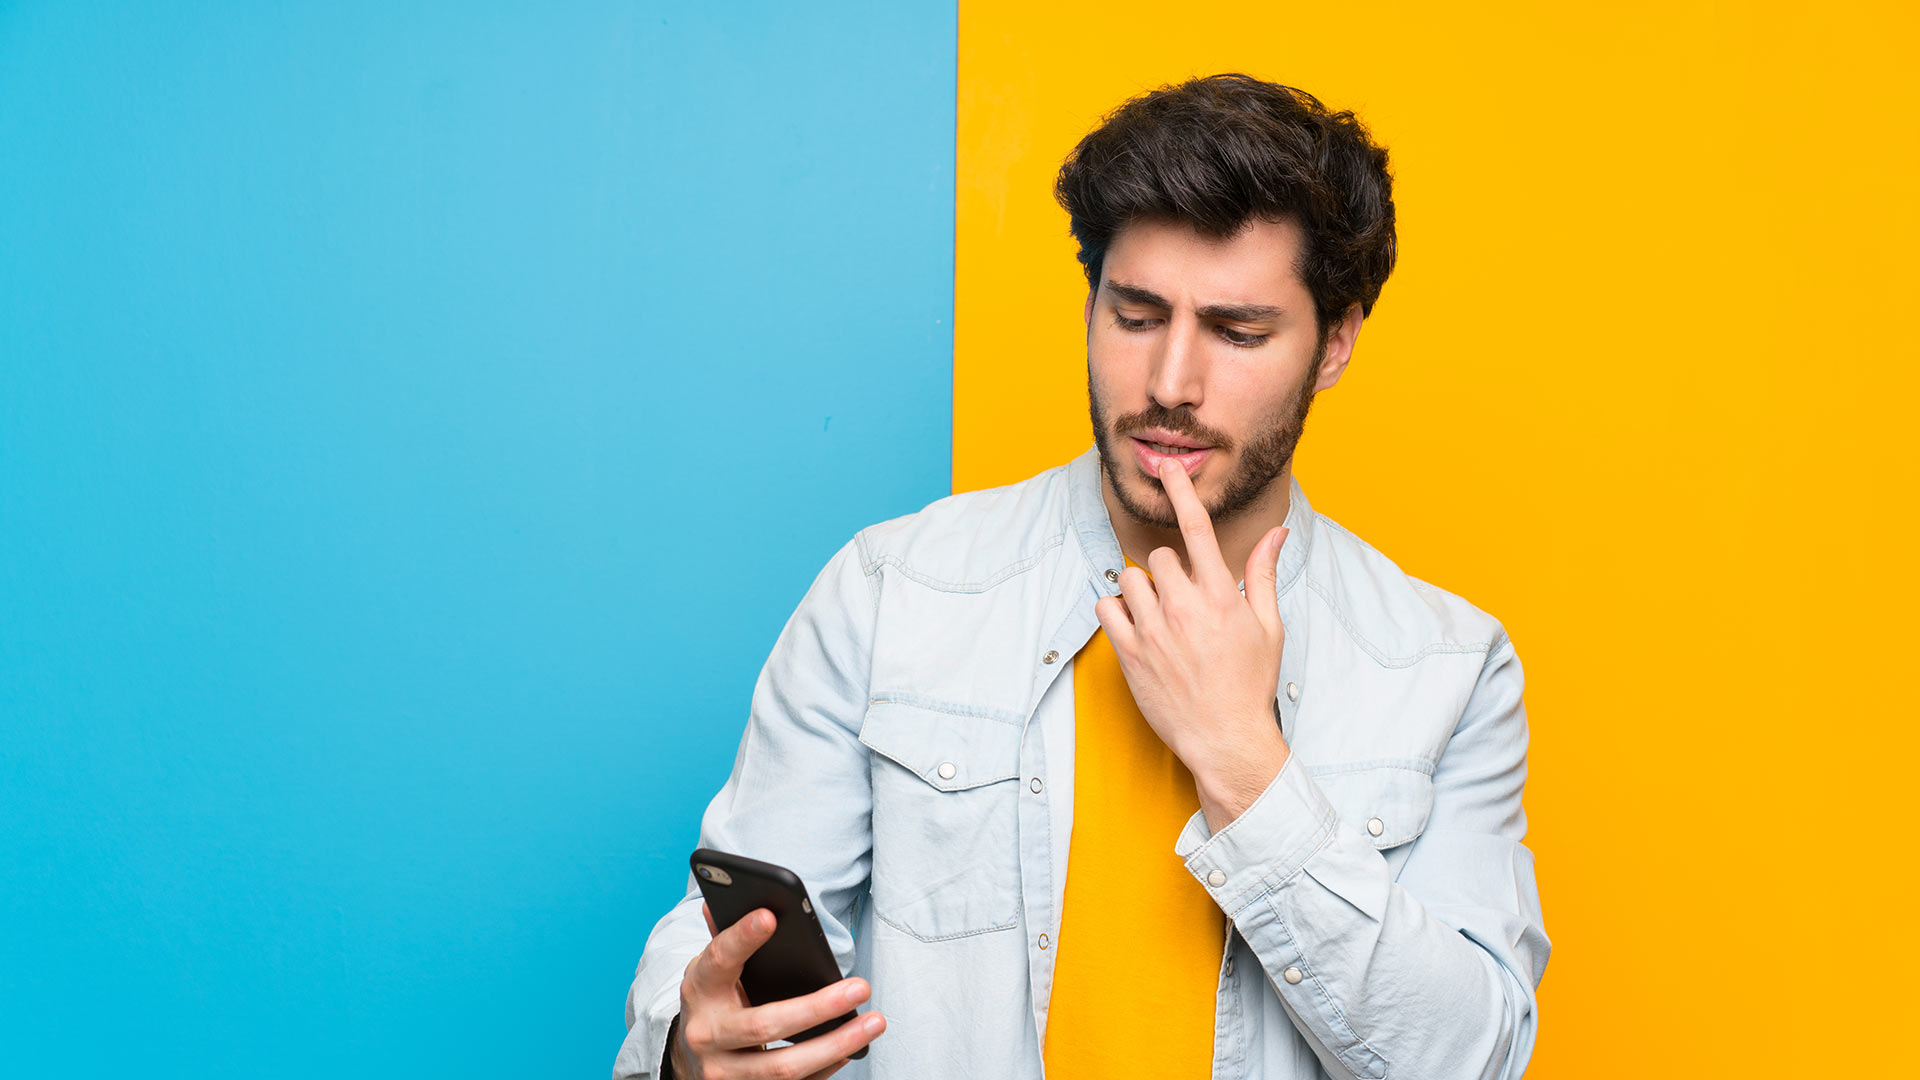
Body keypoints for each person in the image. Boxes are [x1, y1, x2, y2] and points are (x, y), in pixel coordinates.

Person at [613, 73, 1549, 1080]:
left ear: (1335, 343)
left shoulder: (1446, 670)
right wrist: (685, 1044)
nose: (1169, 386)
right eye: (1136, 315)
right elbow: (723, 949)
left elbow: (1471, 1056)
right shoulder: (892, 594)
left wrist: (1243, 761)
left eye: (1238, 333)